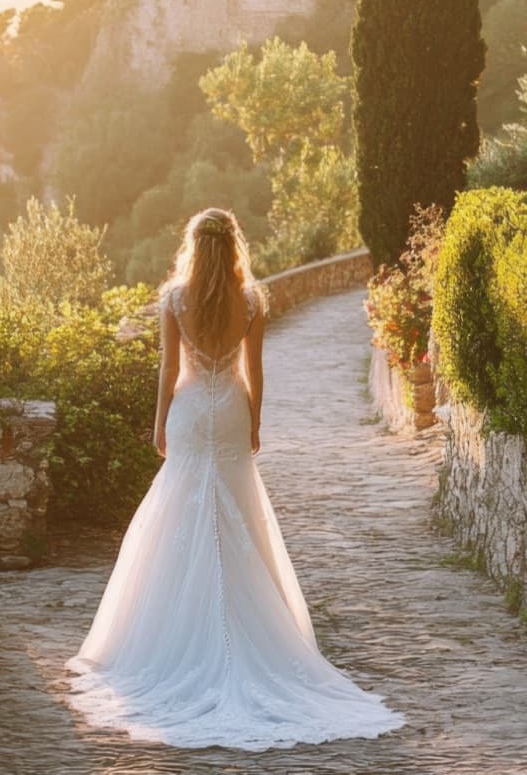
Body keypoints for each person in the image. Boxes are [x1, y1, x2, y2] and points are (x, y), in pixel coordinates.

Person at [65, 208, 404, 751]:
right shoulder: (250, 302)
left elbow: (169, 372)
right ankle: (252, 636)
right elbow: (255, 371)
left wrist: (158, 428)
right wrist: (255, 422)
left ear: (194, 249)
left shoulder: (175, 298)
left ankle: (175, 640)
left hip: (191, 411)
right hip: (231, 414)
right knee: (236, 517)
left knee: (181, 510)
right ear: (233, 248)